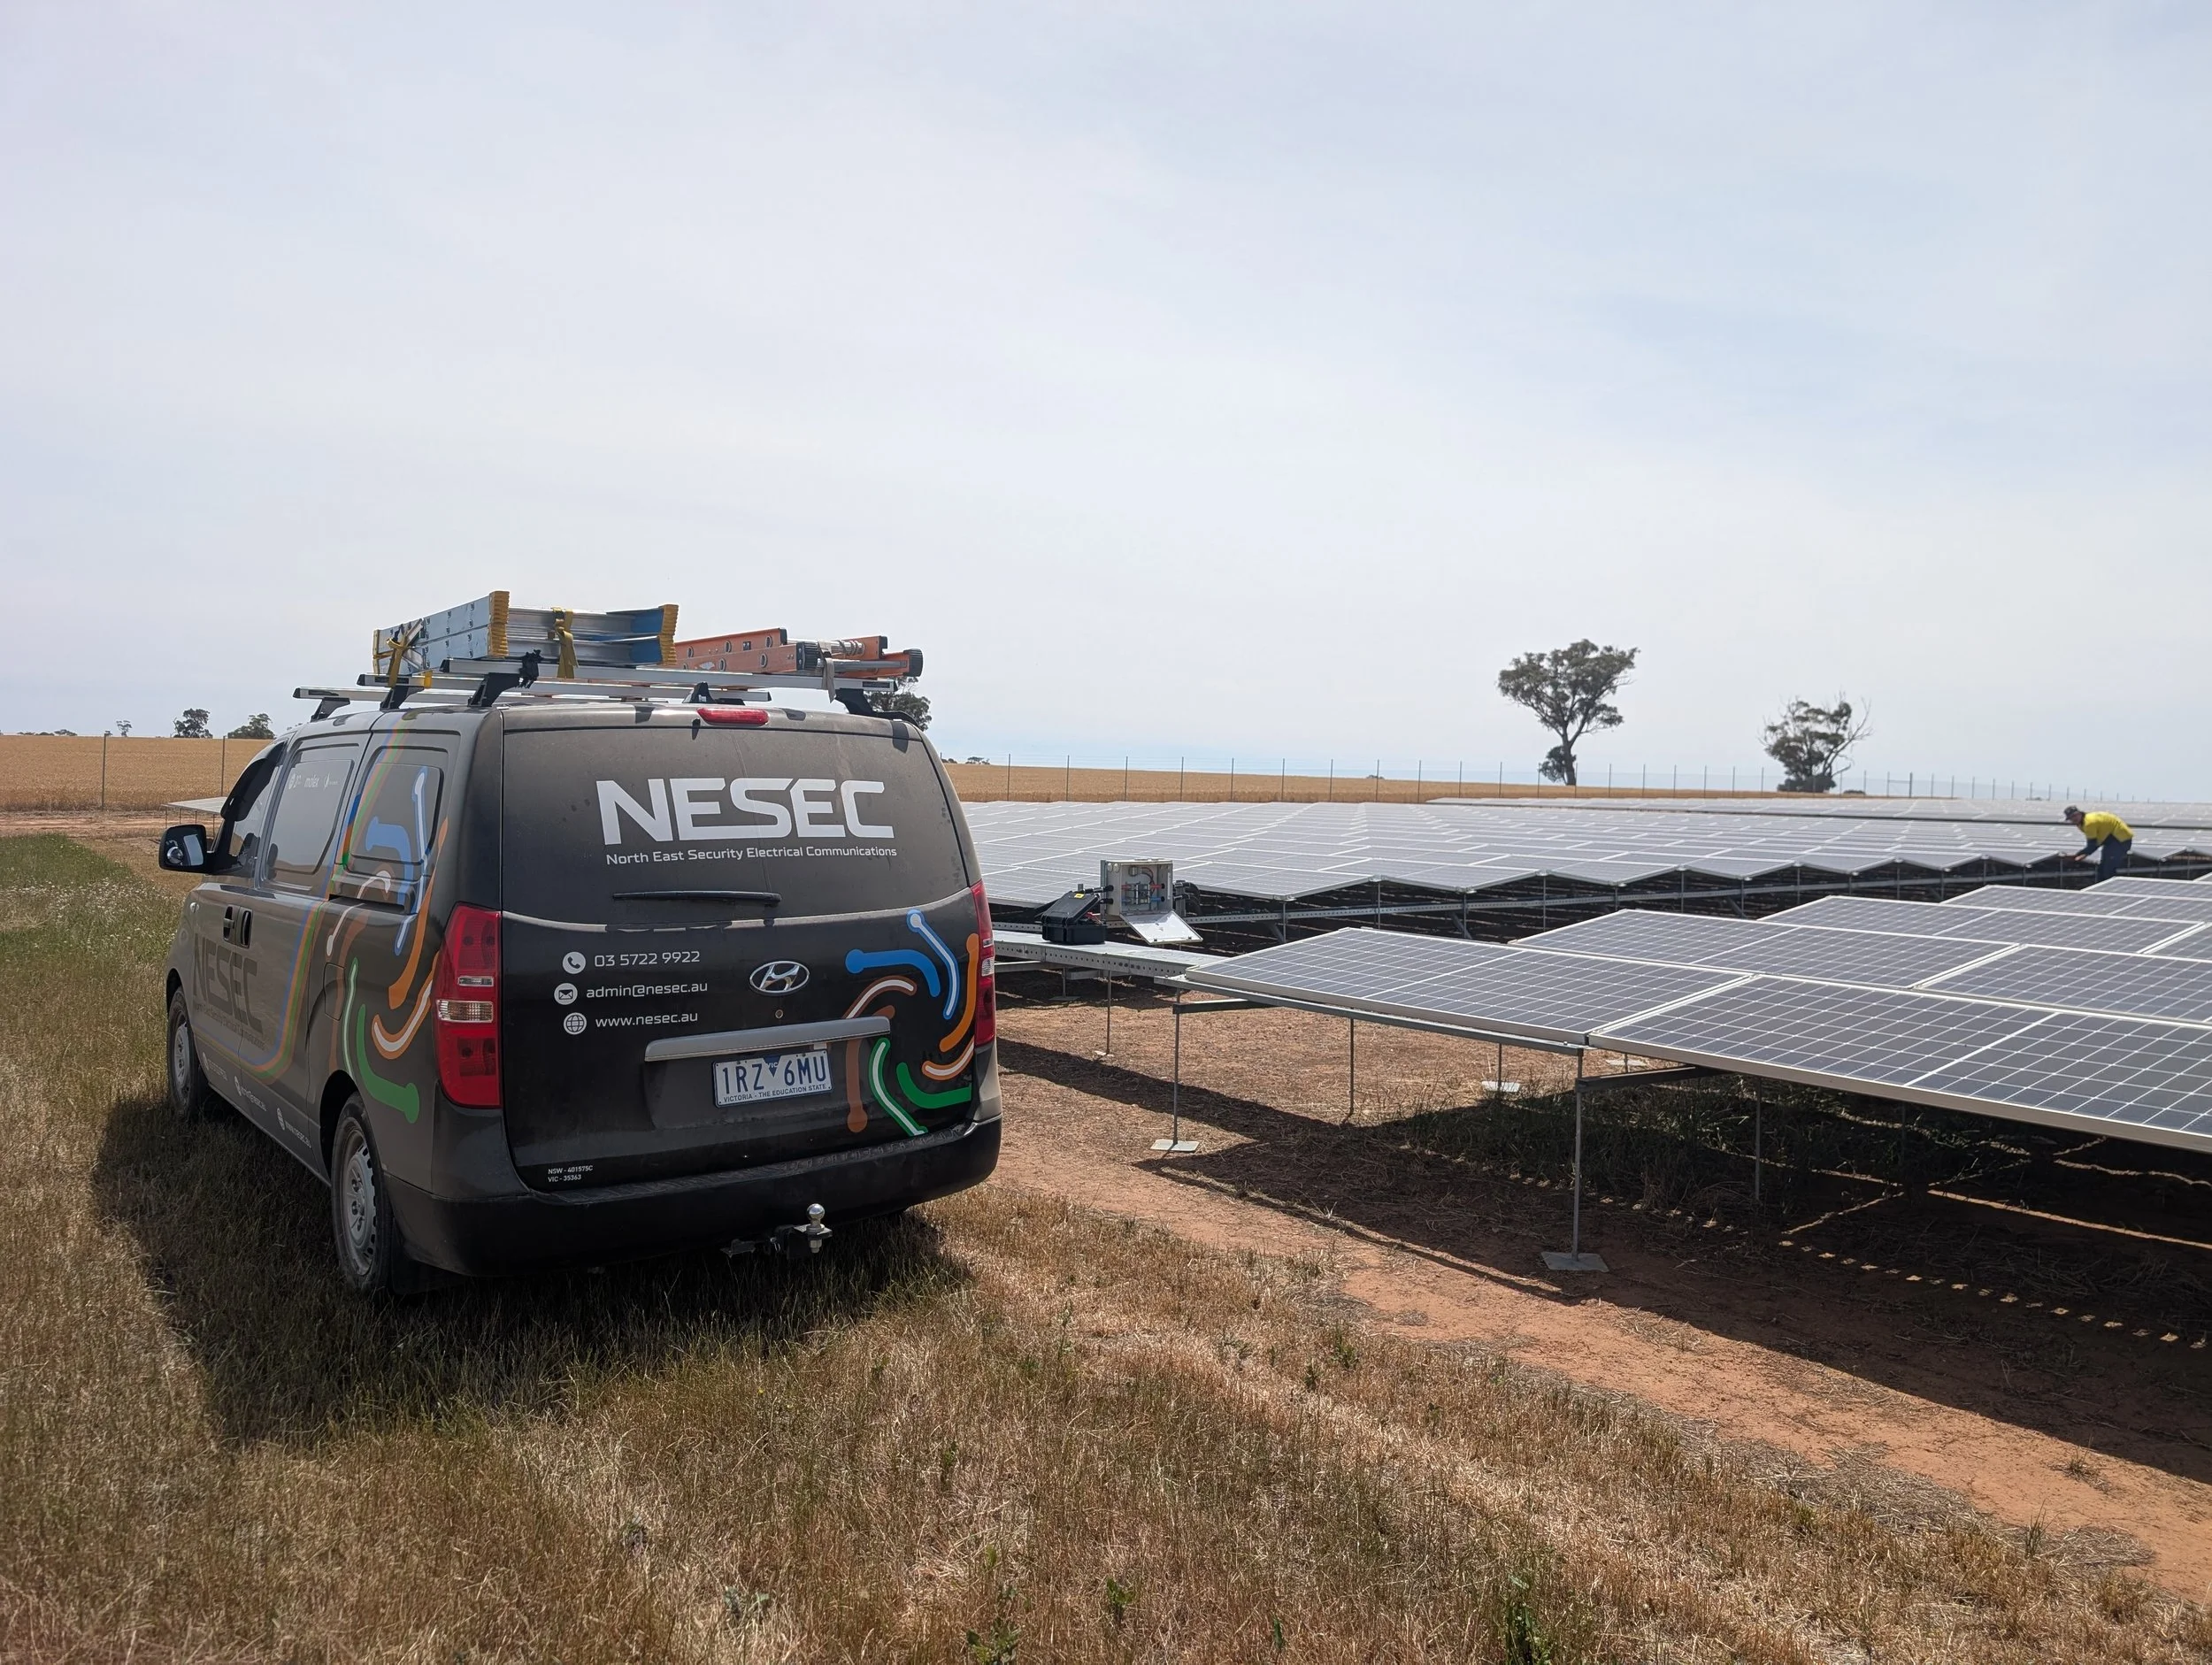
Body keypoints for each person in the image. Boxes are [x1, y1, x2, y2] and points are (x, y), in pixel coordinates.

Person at [2063, 805, 2134, 881]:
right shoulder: (2083, 822)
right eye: (2071, 818)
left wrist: (2078, 855)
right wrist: (2082, 854)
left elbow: (2092, 844)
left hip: (2120, 839)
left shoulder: (2089, 823)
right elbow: (2095, 843)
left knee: (2109, 869)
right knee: (2102, 869)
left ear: (2080, 813)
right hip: (2110, 840)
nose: (2074, 819)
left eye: (2075, 815)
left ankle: (2109, 888)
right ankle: (2102, 885)